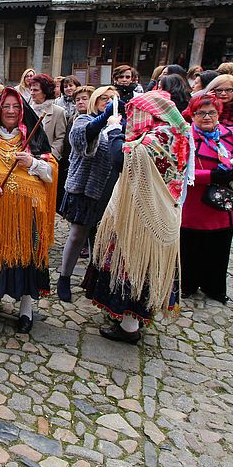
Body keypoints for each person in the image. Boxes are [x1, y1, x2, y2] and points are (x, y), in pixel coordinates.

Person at [84, 91, 191, 344]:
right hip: (154, 212)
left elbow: (121, 159)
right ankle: (128, 319)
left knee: (132, 267)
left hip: (143, 218)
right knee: (135, 266)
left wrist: (113, 132)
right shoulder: (176, 134)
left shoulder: (158, 138)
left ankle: (129, 326)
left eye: (135, 113)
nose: (131, 119)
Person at [0, 88, 58, 333]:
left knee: (25, 258)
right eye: (5, 107)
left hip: (26, 214)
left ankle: (26, 308)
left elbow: (52, 174)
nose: (10, 111)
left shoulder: (34, 138)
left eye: (15, 107)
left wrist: (34, 163)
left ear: (21, 111)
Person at [180, 93, 233, 303]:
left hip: (225, 203)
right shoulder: (184, 136)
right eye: (201, 113)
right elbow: (179, 170)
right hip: (195, 203)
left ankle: (213, 287)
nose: (207, 117)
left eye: (211, 112)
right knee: (190, 247)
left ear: (219, 113)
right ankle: (186, 284)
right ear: (192, 114)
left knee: (220, 248)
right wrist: (210, 176)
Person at [57, 86, 124, 302]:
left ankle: (93, 280)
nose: (108, 101)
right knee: (78, 235)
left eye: (113, 99)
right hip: (85, 190)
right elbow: (80, 139)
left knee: (103, 240)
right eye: (104, 98)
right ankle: (64, 277)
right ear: (95, 100)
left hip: (112, 192)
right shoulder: (84, 120)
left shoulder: (122, 127)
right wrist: (105, 118)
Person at [28, 74, 68, 162]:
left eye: (36, 90)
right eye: (31, 90)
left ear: (45, 92)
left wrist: (51, 155)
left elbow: (60, 138)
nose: (32, 93)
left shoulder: (58, 112)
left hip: (48, 160)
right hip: (28, 159)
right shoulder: (28, 110)